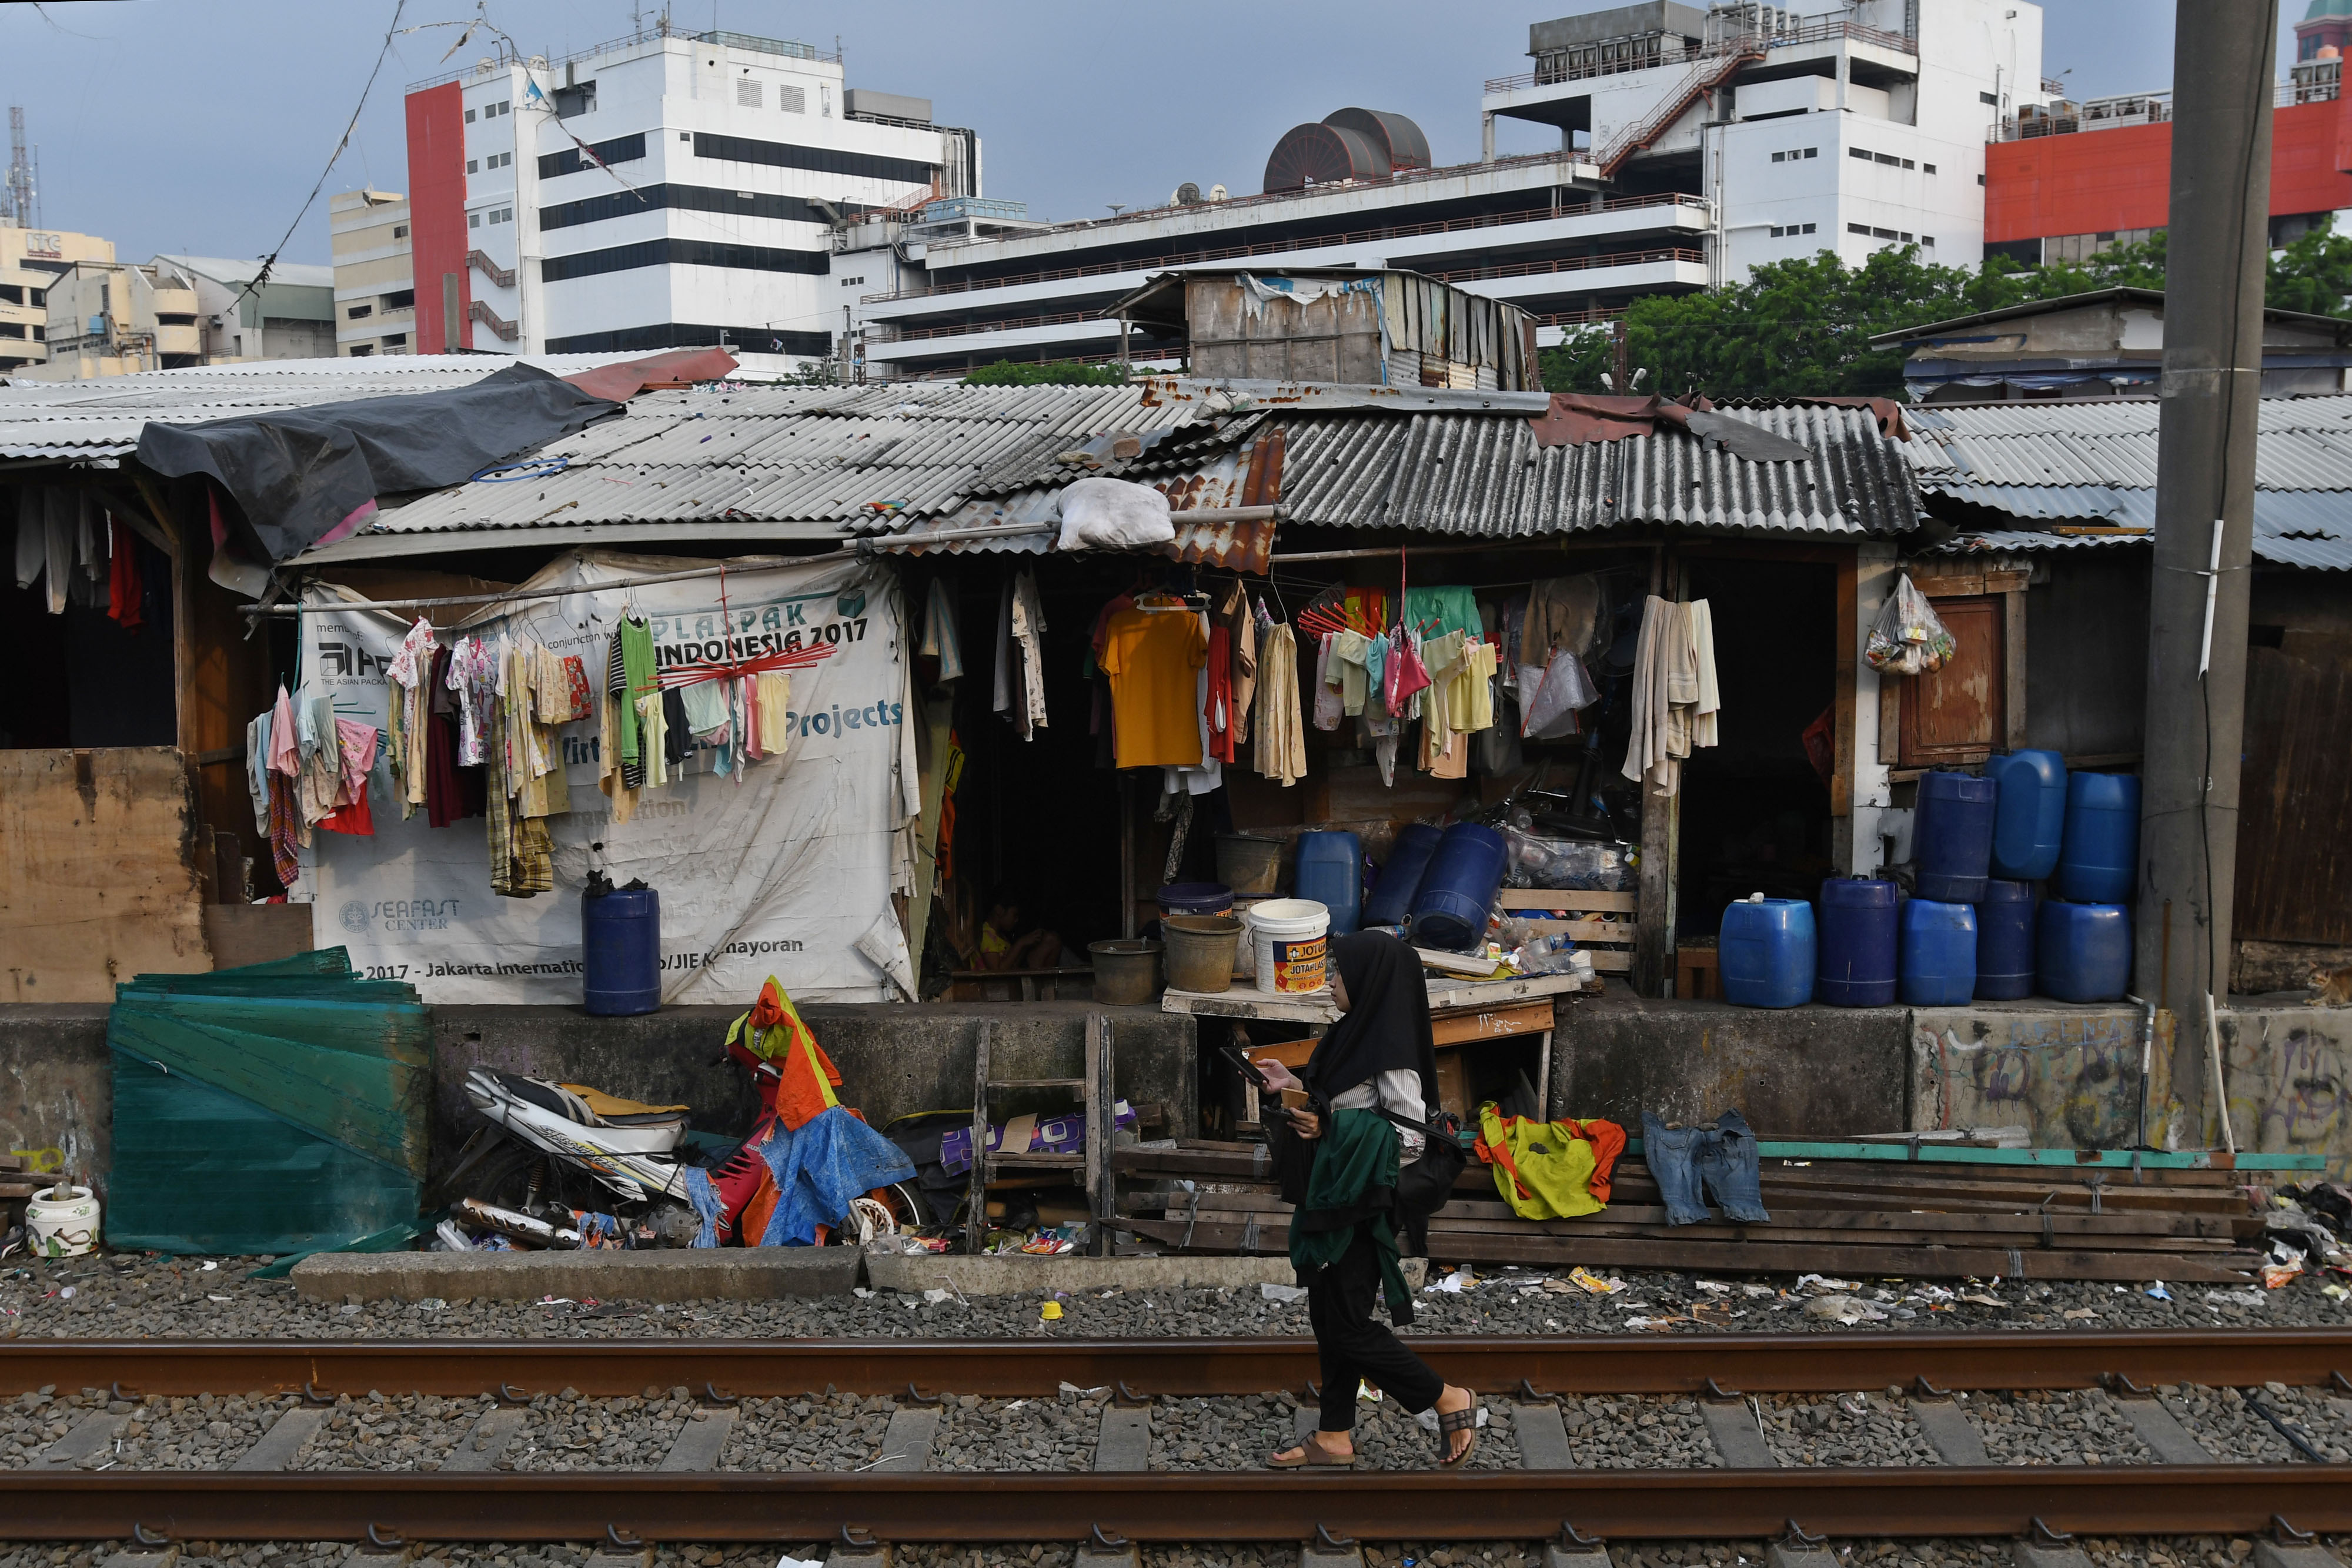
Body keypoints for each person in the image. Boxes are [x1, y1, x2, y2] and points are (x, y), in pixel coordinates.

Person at [1258, 930, 1481, 1469]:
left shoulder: (1393, 1052)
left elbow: (1408, 1138)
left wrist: (1331, 1126)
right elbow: (1339, 1100)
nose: (1333, 982)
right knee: (1326, 1313)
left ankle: (1447, 1397)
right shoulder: (1351, 1034)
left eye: (1341, 973)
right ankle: (1334, 1435)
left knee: (1348, 1324)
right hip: (1335, 1195)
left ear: (1369, 982)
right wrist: (1293, 1084)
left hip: (1363, 1207)